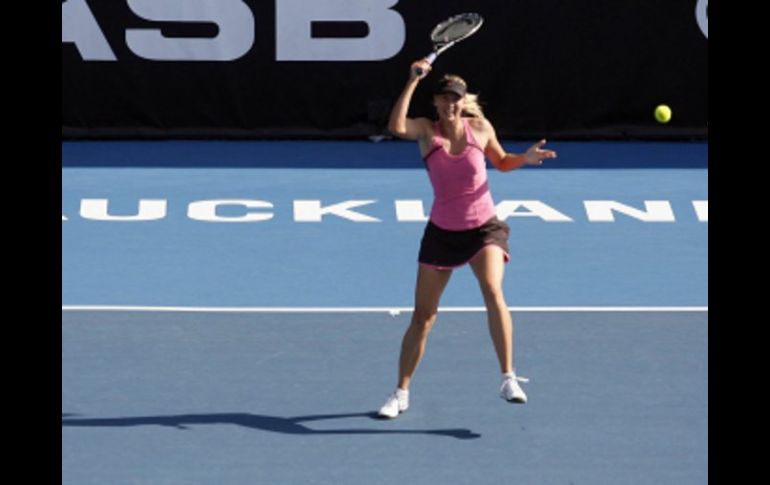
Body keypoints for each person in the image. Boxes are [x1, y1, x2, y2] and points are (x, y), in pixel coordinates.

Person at [377, 59, 557, 419]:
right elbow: (396, 126)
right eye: (444, 98)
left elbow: (501, 162)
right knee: (423, 317)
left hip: (484, 228)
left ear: (463, 101)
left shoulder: (480, 128)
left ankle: (508, 377)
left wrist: (524, 158)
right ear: (436, 102)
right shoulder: (426, 131)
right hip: (442, 233)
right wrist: (412, 81)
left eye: (455, 98)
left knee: (492, 289)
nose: (450, 104)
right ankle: (401, 392)